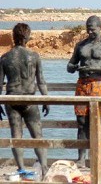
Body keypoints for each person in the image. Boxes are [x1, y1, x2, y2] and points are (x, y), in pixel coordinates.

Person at [67, 15, 101, 168]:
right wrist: (73, 67)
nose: (90, 32)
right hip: (83, 85)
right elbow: (70, 65)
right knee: (81, 122)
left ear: (100, 28)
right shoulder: (81, 45)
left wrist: (92, 68)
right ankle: (81, 159)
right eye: (88, 29)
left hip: (100, 84)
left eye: (93, 29)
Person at [0, 23, 50, 177]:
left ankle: (21, 168)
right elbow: (41, 81)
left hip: (12, 99)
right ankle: (44, 167)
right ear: (27, 37)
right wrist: (46, 99)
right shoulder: (33, 56)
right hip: (29, 100)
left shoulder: (5, 58)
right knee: (37, 135)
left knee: (16, 135)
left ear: (14, 37)